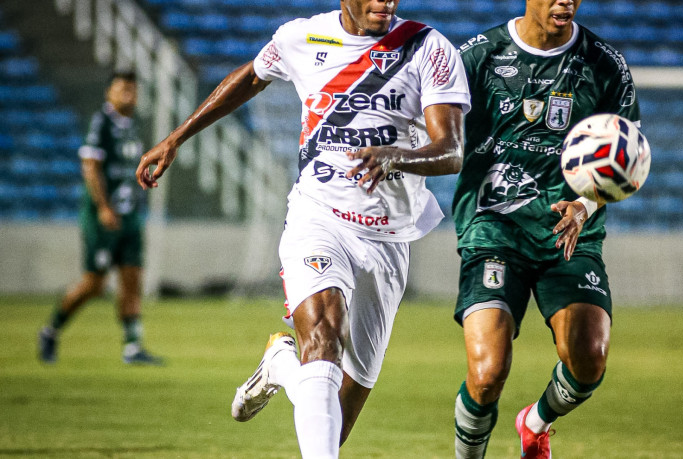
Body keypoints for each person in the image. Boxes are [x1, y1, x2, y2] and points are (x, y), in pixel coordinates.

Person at [135, 1, 470, 456]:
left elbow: (450, 150)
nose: (385, 3)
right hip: (319, 216)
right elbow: (252, 76)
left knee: (339, 411)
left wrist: (398, 156)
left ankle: (280, 365)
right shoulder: (301, 37)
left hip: (390, 237)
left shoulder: (426, 47)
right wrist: (176, 137)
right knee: (324, 335)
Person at [450, 0, 641, 457]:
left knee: (589, 360)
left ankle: (534, 423)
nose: (565, 2)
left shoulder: (603, 63)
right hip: (495, 230)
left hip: (569, 234)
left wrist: (584, 204)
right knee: (488, 373)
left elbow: (629, 157)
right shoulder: (479, 56)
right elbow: (433, 128)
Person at [38, 70, 163, 365]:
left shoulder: (133, 126)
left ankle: (132, 346)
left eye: (132, 90)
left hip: (130, 215)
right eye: (122, 90)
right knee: (94, 284)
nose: (128, 95)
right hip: (103, 217)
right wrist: (103, 207)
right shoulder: (101, 123)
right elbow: (91, 166)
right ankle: (51, 330)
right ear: (109, 92)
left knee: (132, 277)